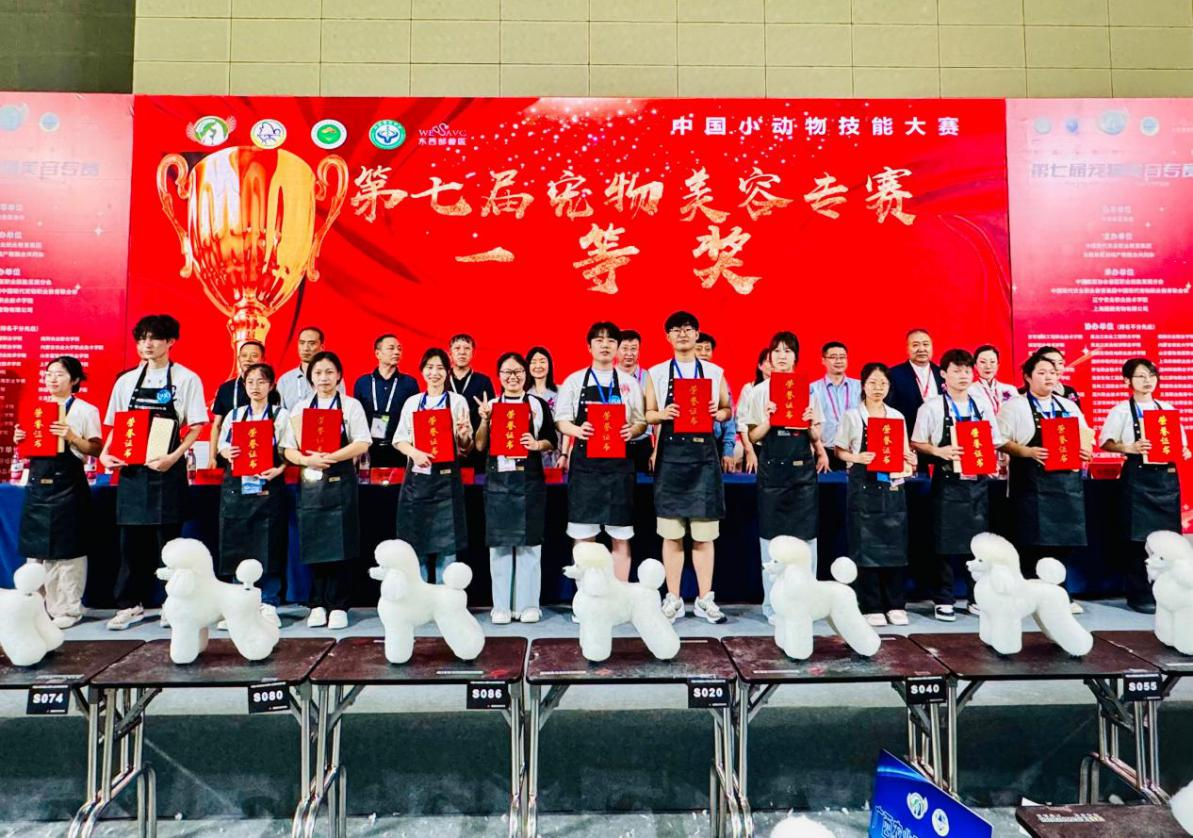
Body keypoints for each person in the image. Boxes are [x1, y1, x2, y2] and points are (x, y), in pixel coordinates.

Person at [99, 314, 208, 630]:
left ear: (170, 342)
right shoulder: (126, 381)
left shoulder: (186, 378)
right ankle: (129, 605)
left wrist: (173, 457)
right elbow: (116, 425)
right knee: (130, 544)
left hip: (166, 470)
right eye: (142, 338)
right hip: (132, 473)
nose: (147, 344)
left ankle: (172, 604)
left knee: (169, 545)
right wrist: (105, 454)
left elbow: (196, 425)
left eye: (154, 338)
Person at [645, 311, 733, 624]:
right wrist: (663, 414)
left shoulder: (714, 371)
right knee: (671, 534)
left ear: (697, 334)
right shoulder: (656, 373)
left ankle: (705, 599)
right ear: (667, 337)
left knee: (704, 535)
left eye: (688, 329)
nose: (682, 334)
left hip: (704, 459)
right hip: (671, 459)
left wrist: (718, 414)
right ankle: (674, 598)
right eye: (676, 330)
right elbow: (647, 414)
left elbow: (727, 409)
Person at [280, 351, 371, 630]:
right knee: (314, 542)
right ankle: (317, 604)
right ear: (311, 377)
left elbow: (362, 442)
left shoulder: (351, 406)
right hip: (311, 482)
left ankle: (339, 605)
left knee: (342, 543)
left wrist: (332, 456)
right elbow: (287, 448)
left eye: (329, 372)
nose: (324, 378)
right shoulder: (300, 409)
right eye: (318, 373)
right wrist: (306, 460)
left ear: (339, 376)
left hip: (341, 480)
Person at [911, 349, 1004, 621]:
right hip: (948, 481)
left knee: (979, 544)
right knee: (945, 541)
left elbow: (995, 439)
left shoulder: (981, 405)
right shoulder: (931, 406)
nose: (963, 376)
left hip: (978, 482)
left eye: (966, 370)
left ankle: (977, 597)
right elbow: (917, 441)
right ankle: (944, 599)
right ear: (943, 374)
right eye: (956, 370)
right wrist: (938, 451)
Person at [998, 352, 1092, 612]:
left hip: (1065, 485)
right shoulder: (1014, 406)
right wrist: (1026, 451)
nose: (1049, 377)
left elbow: (1084, 435)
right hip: (1031, 483)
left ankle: (1061, 595)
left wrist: (1085, 451)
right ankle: (1031, 595)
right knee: (1032, 541)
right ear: (1028, 377)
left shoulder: (1069, 406)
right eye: (1041, 372)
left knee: (1063, 541)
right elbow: (999, 439)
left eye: (1052, 372)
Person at [744, 332, 828, 623]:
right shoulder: (759, 391)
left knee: (807, 540)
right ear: (769, 357)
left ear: (796, 357)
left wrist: (809, 424)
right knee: (770, 540)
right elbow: (753, 436)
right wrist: (769, 420)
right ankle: (773, 606)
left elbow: (817, 435)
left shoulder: (810, 390)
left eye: (788, 351)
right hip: (772, 471)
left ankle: (806, 603)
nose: (782, 356)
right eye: (776, 351)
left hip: (802, 471)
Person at [14, 356, 102, 628]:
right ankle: (37, 607)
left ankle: (68, 609)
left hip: (68, 485)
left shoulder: (85, 410)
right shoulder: (37, 409)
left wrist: (72, 437)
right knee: (36, 551)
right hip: (38, 486)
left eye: (60, 374)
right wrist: (20, 440)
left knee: (68, 551)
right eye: (49, 373)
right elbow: (29, 450)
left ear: (75, 380)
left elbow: (96, 448)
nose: (52, 378)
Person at [555, 322, 647, 583]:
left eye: (610, 341)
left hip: (619, 468)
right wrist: (576, 429)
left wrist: (633, 430)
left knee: (621, 535)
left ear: (617, 347)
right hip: (585, 467)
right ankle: (586, 595)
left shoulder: (629, 383)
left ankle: (619, 594)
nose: (605, 345)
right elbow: (561, 420)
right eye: (599, 340)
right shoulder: (574, 381)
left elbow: (641, 422)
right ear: (589, 346)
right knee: (584, 536)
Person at [1099, 358, 1189, 613]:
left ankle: (1167, 593)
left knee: (1168, 538)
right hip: (1137, 476)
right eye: (1140, 376)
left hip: (1166, 478)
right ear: (1126, 381)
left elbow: (1180, 443)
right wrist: (1129, 447)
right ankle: (1140, 594)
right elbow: (1105, 443)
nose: (1147, 381)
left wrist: (1183, 450)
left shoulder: (1167, 409)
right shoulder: (1121, 410)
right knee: (1137, 539)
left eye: (1151, 375)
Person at [475, 352, 557, 624]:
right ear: (499, 376)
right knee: (500, 546)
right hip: (498, 483)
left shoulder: (537, 404)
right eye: (507, 372)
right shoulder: (491, 405)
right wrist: (484, 419)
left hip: (529, 482)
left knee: (529, 546)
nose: (513, 377)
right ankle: (500, 606)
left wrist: (536, 444)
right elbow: (479, 445)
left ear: (525, 374)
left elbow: (551, 440)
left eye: (518, 372)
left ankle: (529, 604)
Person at [834, 362, 917, 627]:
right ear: (863, 385)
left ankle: (895, 604)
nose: (878, 388)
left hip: (892, 488)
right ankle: (870, 604)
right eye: (872, 383)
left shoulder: (896, 416)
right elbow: (839, 450)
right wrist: (856, 457)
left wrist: (910, 459)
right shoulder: (852, 416)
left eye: (883, 383)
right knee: (865, 547)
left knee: (895, 545)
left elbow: (905, 452)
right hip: (863, 488)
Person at [216, 362, 289, 627]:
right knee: (237, 544)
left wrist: (278, 469)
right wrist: (227, 452)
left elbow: (288, 450)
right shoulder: (234, 415)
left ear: (271, 385)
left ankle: (269, 602)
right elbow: (222, 445)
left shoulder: (280, 415)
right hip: (237, 487)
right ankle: (240, 605)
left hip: (268, 487)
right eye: (250, 382)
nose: (255, 387)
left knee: (269, 544)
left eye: (261, 382)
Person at [394, 348, 474, 584]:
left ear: (448, 372)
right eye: (429, 367)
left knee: (447, 543)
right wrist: (415, 453)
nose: (434, 373)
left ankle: (446, 595)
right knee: (415, 542)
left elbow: (466, 446)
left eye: (440, 368)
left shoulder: (457, 401)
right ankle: (418, 594)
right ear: (422, 371)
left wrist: (463, 434)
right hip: (417, 480)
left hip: (447, 482)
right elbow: (399, 440)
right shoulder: (412, 402)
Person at [352, 333, 419, 469]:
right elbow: (357, 420)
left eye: (399, 349)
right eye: (391, 348)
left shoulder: (410, 383)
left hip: (399, 449)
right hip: (368, 450)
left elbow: (415, 418)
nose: (397, 352)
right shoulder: (363, 383)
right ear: (378, 353)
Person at [208, 340, 276, 468]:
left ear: (263, 359)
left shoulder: (270, 388)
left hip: (263, 453)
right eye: (244, 355)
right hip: (231, 453)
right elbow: (217, 425)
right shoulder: (226, 388)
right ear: (238, 358)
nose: (248, 359)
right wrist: (212, 457)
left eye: (254, 356)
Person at [886, 329, 943, 448]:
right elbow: (888, 410)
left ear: (932, 347)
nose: (921, 349)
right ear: (907, 349)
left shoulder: (943, 374)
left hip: (940, 443)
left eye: (926, 344)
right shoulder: (893, 375)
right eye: (915, 345)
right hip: (908, 442)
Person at [810, 341, 862, 472]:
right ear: (823, 360)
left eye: (842, 357)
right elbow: (810, 423)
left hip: (855, 453)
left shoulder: (860, 387)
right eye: (833, 357)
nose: (838, 361)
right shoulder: (813, 389)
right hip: (825, 453)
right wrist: (819, 452)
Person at [447, 333, 495, 469]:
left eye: (467, 348)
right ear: (450, 353)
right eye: (457, 348)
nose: (462, 352)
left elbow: (492, 417)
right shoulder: (441, 380)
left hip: (478, 449)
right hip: (446, 449)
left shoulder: (483, 381)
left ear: (473, 353)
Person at [695, 332, 738, 473]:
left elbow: (729, 420)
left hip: (714, 444)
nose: (703, 353)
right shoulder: (680, 378)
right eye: (698, 349)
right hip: (687, 446)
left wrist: (728, 451)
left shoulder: (720, 379)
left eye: (707, 349)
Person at [278, 326, 343, 410]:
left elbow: (341, 408)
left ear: (322, 347)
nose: (306, 348)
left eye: (312, 343)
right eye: (302, 343)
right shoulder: (285, 380)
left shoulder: (333, 378)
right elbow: (279, 414)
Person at [617, 329, 653, 473]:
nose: (629, 353)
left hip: (643, 445)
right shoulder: (607, 377)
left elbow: (657, 419)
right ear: (616, 350)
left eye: (634, 349)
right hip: (615, 444)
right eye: (625, 348)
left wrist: (656, 451)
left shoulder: (649, 378)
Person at [736, 348, 771, 474]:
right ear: (760, 365)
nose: (772, 365)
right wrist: (749, 451)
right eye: (768, 361)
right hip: (756, 446)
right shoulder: (750, 389)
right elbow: (741, 424)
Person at [526, 346, 561, 468]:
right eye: (533, 362)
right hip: (529, 453)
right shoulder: (523, 394)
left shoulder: (561, 391)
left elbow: (567, 423)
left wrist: (565, 454)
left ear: (549, 365)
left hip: (555, 452)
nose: (538, 366)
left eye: (542, 361)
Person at [971, 345, 1018, 415]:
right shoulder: (969, 390)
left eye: (992, 362)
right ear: (975, 365)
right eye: (983, 362)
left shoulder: (1010, 389)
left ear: (997, 365)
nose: (988, 366)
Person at [1034, 345, 1082, 409]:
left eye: (1060, 363)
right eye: (1052, 363)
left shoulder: (1070, 391)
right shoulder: (1034, 392)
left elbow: (1078, 414)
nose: (1057, 368)